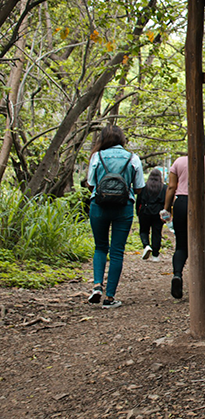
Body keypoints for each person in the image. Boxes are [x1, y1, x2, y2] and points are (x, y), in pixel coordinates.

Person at [86, 124, 145, 308]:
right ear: (121, 139)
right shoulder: (133, 158)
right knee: (117, 251)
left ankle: (97, 286)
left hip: (99, 206)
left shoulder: (97, 156)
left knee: (100, 247)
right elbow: (139, 187)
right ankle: (110, 297)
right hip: (123, 207)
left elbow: (90, 183)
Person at [162, 136, 205, 299]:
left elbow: (171, 187)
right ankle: (200, 286)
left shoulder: (178, 162)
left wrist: (166, 209)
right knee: (204, 246)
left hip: (183, 203)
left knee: (181, 245)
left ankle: (177, 275)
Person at [136, 169, 167, 262]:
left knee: (144, 231)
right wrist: (166, 216)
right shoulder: (164, 188)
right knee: (157, 232)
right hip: (158, 212)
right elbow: (167, 202)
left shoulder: (144, 187)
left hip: (145, 211)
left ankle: (146, 245)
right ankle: (155, 255)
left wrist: (138, 212)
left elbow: (139, 200)